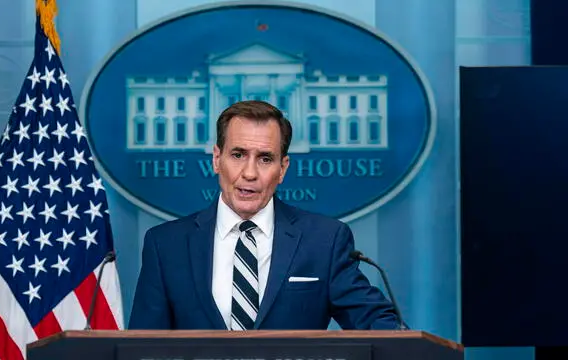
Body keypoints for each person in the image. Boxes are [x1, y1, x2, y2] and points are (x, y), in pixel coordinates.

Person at [128, 100, 400, 330]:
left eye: (265, 159)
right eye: (238, 154)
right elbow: (141, 348)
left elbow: (376, 323)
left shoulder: (324, 241)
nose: (249, 173)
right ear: (216, 159)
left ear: (282, 169)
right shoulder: (166, 245)